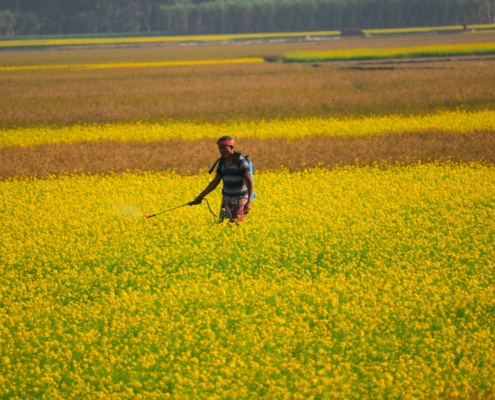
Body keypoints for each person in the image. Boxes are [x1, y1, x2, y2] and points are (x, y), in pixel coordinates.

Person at [194, 136, 254, 223]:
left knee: (236, 227)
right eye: (219, 148)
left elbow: (250, 182)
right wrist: (200, 197)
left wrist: (249, 202)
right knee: (224, 225)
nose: (221, 150)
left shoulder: (240, 161)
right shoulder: (222, 162)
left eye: (223, 148)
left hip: (240, 200)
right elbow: (215, 182)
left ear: (231, 147)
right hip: (226, 199)